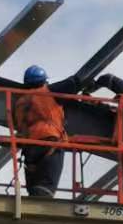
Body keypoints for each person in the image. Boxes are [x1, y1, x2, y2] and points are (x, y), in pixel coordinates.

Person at [10, 64, 76, 198]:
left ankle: (34, 201)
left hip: (29, 146)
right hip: (49, 142)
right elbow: (74, 82)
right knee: (46, 187)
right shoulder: (49, 92)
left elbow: (18, 124)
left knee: (35, 186)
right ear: (43, 81)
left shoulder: (19, 102)